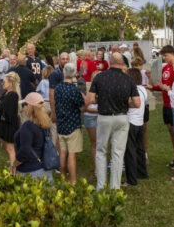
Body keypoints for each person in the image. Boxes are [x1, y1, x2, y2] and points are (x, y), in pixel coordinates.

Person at [87, 53, 140, 190]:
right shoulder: (128, 80)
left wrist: (102, 100)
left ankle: (101, 186)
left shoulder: (100, 77)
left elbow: (90, 100)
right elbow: (137, 103)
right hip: (122, 117)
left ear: (109, 62)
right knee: (118, 152)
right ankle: (115, 187)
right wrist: (126, 103)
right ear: (122, 63)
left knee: (101, 151)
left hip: (104, 117)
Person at [149, 45, 174, 170]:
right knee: (171, 133)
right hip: (166, 104)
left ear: (172, 53)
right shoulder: (166, 68)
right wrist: (152, 86)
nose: (164, 57)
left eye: (165, 55)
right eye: (163, 55)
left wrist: (166, 88)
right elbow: (163, 85)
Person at [54, 64, 85, 184]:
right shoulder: (74, 90)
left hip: (61, 124)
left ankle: (62, 178)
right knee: (71, 155)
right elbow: (82, 108)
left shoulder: (58, 88)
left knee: (62, 153)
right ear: (73, 74)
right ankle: (72, 180)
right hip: (73, 125)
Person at [13, 92, 54, 180]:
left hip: (30, 171)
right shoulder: (45, 123)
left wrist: (14, 164)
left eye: (25, 104)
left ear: (29, 107)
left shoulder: (27, 126)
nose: (23, 107)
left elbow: (25, 151)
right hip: (44, 167)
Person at [123, 68, 149, 187]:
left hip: (131, 122)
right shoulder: (143, 89)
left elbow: (130, 103)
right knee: (140, 149)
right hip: (139, 122)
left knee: (130, 151)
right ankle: (142, 172)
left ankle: (131, 179)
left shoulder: (131, 90)